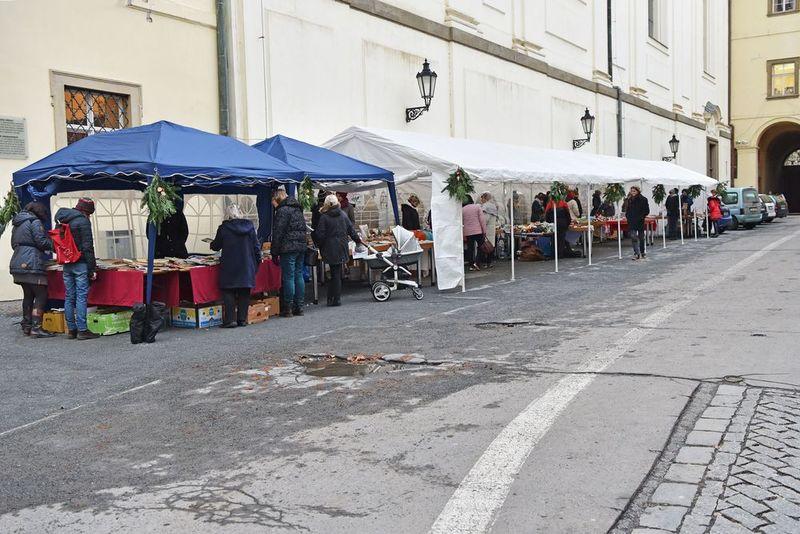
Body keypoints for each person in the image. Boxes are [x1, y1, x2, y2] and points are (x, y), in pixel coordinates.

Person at [53, 198, 98, 340]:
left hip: (66, 263)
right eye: (90, 213)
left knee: (69, 296)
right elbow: (87, 247)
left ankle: (71, 330)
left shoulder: (63, 219)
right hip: (80, 262)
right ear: (86, 211)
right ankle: (83, 330)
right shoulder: (83, 221)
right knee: (81, 296)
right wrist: (92, 269)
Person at [210, 204, 261, 328]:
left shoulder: (223, 228)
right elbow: (256, 246)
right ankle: (242, 320)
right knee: (244, 290)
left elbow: (216, 246)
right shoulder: (249, 226)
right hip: (246, 263)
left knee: (228, 290)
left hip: (230, 263)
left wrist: (211, 244)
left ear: (227, 214)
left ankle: (230, 320)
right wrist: (258, 261)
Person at [9, 202, 53, 338]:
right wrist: (55, 245)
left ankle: (27, 325)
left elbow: (13, 244)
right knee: (41, 294)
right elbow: (41, 241)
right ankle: (36, 328)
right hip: (31, 263)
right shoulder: (34, 222)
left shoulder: (17, 224)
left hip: (17, 262)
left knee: (28, 294)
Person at [314, 194, 362, 306]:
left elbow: (320, 235)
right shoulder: (343, 215)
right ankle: (334, 298)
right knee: (336, 273)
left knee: (334, 273)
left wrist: (319, 246)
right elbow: (351, 230)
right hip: (341, 246)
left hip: (330, 248)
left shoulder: (324, 217)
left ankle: (335, 298)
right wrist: (357, 240)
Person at [271, 189, 308, 317]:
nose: (272, 205)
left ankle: (288, 307)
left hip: (288, 248)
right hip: (301, 246)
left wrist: (274, 252)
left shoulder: (282, 211)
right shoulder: (297, 209)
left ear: (277, 200)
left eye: (273, 202)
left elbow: (278, 233)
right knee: (299, 275)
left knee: (289, 277)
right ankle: (300, 306)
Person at [462, 196, 487, 272]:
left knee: (470, 248)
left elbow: (462, 222)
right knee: (481, 247)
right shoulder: (477, 207)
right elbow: (482, 220)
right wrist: (484, 231)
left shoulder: (462, 210)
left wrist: (463, 233)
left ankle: (471, 265)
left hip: (468, 232)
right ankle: (477, 262)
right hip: (478, 231)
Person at [626, 186, 650, 260]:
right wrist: (628, 217)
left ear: (638, 191)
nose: (632, 192)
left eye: (634, 191)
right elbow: (628, 209)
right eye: (631, 191)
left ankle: (642, 252)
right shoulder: (630, 199)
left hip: (640, 221)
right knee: (633, 237)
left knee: (641, 238)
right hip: (632, 221)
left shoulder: (643, 199)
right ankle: (636, 253)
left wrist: (641, 217)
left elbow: (647, 210)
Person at [479, 192, 498, 269]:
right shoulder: (493, 206)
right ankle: (489, 262)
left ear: (484, 198)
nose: (481, 200)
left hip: (486, 229)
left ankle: (485, 262)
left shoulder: (485, 206)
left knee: (485, 246)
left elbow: (485, 220)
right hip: (492, 228)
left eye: (482, 198)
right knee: (491, 245)